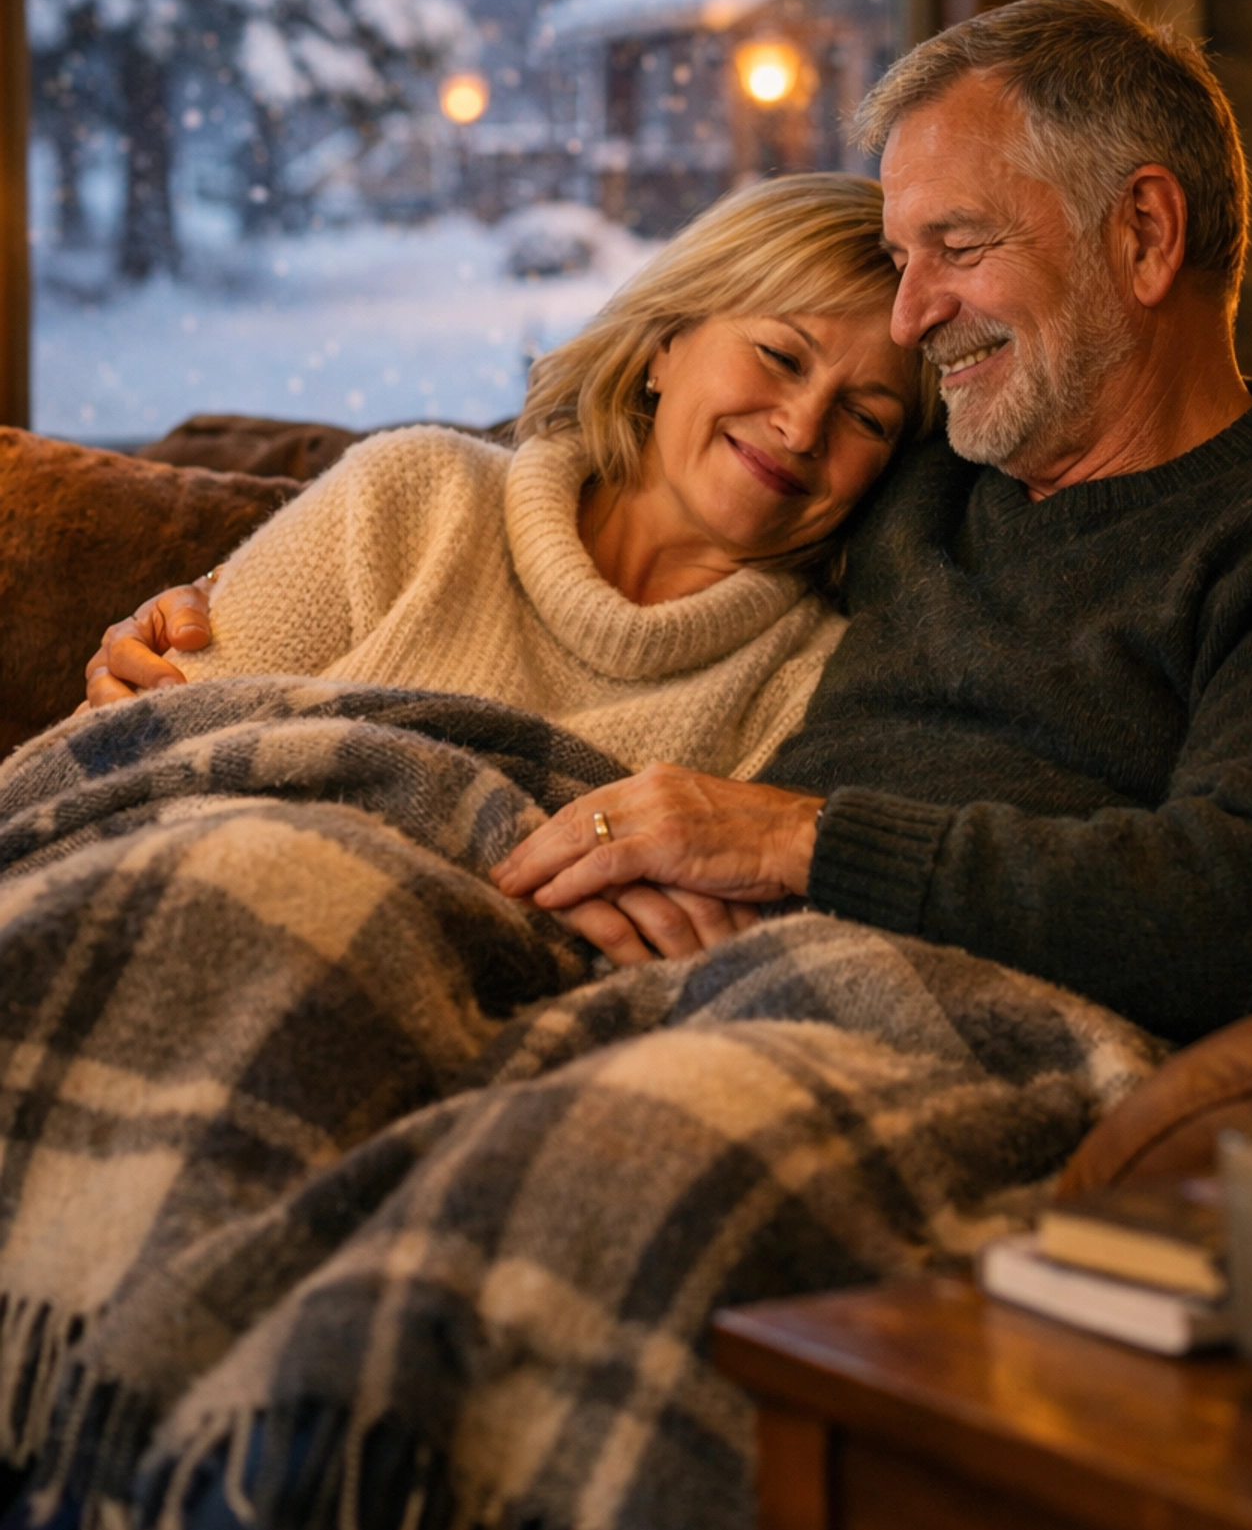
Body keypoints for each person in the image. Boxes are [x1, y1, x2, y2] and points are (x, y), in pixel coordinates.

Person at [493, 0, 1252, 1045]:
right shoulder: (915, 476)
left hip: (932, 1038)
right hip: (668, 964)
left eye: (960, 243)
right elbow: (682, 470)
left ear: (1145, 234)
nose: (911, 318)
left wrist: (795, 840)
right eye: (904, 259)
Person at [83, 172, 933, 964]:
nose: (801, 426)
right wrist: (497, 852)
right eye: (781, 356)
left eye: (866, 416)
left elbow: (692, 960)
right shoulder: (410, 494)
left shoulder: (814, 687)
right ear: (666, 343)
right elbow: (134, 774)